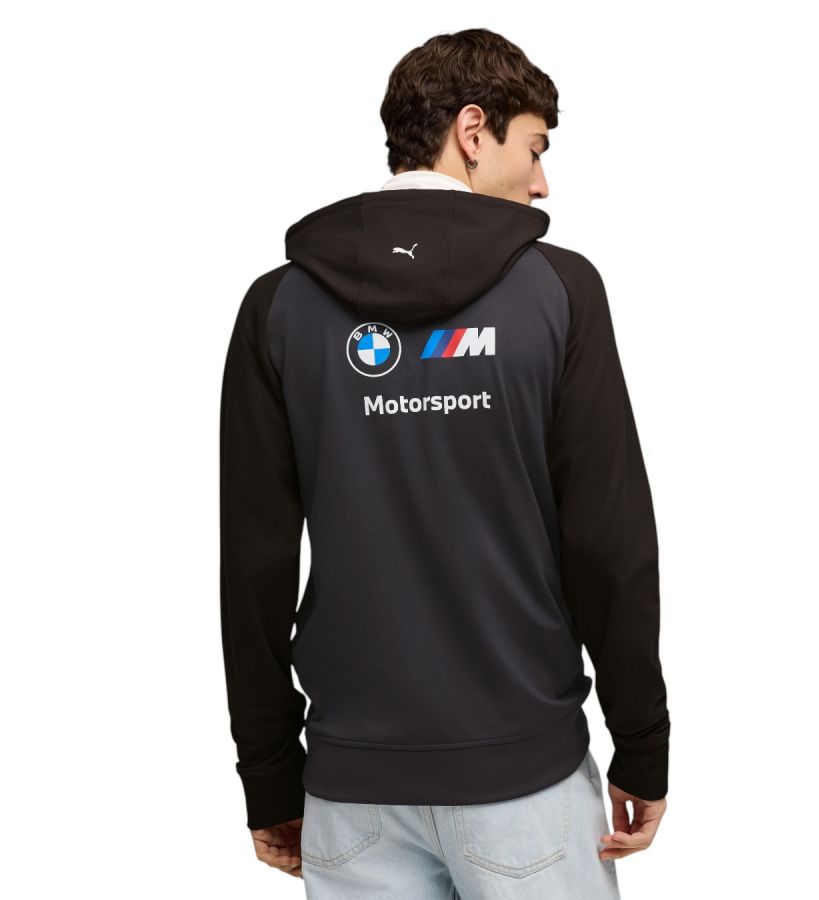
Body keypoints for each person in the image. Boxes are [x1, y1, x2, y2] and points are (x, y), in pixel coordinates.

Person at [219, 27, 670, 899]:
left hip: (350, 793)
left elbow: (253, 565)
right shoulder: (559, 292)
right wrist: (642, 743)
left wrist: (268, 774)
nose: (541, 183)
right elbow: (609, 543)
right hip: (526, 787)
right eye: (534, 148)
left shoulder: (279, 307)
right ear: (473, 130)